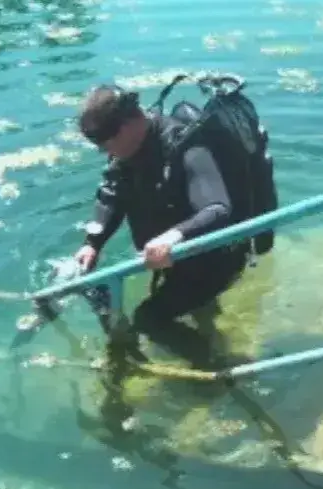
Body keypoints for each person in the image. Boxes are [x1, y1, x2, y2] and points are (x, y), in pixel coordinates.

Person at [73, 84, 247, 366]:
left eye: (105, 138)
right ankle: (207, 331)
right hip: (171, 260)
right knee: (192, 307)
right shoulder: (125, 152)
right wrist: (92, 243)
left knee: (148, 319)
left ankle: (215, 368)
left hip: (213, 259)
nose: (103, 148)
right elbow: (113, 195)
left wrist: (173, 236)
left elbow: (218, 208)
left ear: (131, 121)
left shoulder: (186, 144)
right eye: (95, 141)